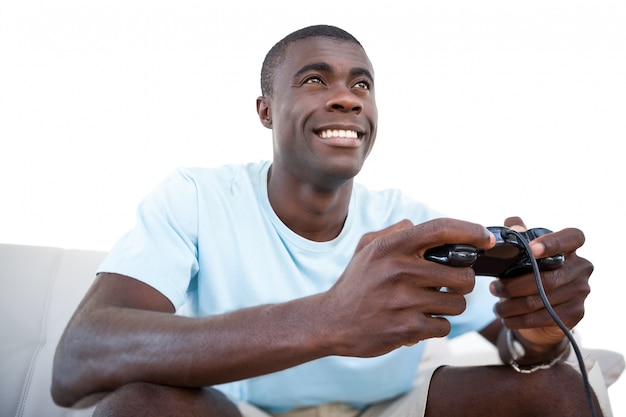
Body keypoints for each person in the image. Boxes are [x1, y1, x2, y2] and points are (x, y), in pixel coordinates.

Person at [52, 24, 606, 417]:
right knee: (139, 406)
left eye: (361, 84)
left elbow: (512, 345)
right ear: (265, 109)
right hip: (239, 411)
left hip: (388, 411)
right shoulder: (197, 195)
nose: (347, 98)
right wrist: (328, 320)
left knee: (557, 389)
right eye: (316, 80)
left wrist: (536, 334)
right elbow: (80, 358)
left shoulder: (408, 222)